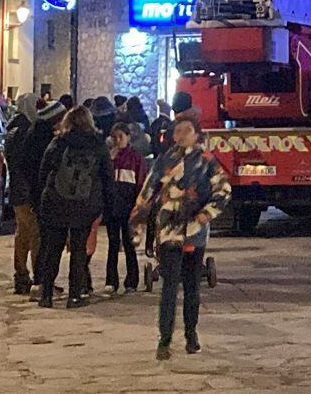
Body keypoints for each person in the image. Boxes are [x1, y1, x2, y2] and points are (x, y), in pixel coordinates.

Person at [135, 116, 231, 358]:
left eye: (187, 130)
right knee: (169, 285)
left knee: (191, 286)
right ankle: (164, 339)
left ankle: (191, 335)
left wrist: (207, 214)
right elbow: (148, 189)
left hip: (195, 231)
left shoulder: (208, 161)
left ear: (197, 134)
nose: (181, 135)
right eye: (177, 131)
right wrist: (138, 217)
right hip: (169, 230)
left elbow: (223, 189)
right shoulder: (165, 160)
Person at [37, 105, 111, 308]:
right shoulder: (98, 144)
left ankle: (46, 295)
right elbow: (107, 177)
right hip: (84, 205)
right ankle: (75, 295)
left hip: (56, 202)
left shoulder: (58, 142)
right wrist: (105, 205)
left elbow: (44, 171)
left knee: (53, 249)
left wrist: (43, 197)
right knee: (78, 251)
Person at [3, 92, 56, 293]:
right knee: (35, 234)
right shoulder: (27, 131)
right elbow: (29, 164)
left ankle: (22, 275)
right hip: (27, 191)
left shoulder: (12, 129)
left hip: (17, 190)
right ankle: (38, 278)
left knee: (22, 234)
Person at [106, 123, 145, 292]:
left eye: (121, 136)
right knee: (113, 243)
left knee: (129, 244)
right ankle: (111, 281)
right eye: (115, 137)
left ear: (128, 137)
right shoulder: (108, 157)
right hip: (112, 206)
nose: (118, 140)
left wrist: (139, 205)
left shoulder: (135, 158)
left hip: (128, 205)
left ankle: (132, 280)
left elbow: (141, 182)